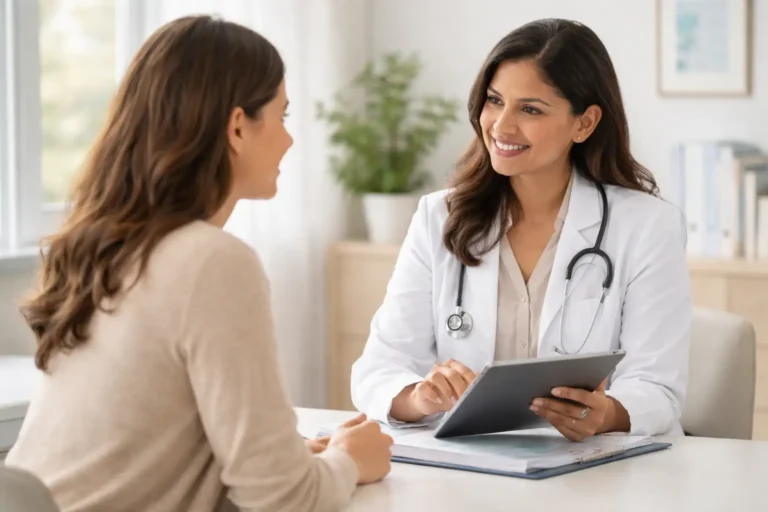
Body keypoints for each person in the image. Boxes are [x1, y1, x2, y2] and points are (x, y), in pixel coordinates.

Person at [6, 15, 392, 512]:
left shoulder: (104, 249)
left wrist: (297, 460)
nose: (289, 140)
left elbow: (159, 442)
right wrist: (350, 460)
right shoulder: (212, 262)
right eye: (282, 116)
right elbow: (282, 499)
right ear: (237, 127)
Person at [350, 18, 691, 441]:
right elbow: (379, 368)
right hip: (474, 464)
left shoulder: (647, 226)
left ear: (584, 123)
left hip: (601, 465)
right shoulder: (439, 217)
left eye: (530, 109)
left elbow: (658, 388)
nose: (501, 126)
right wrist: (420, 397)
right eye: (495, 100)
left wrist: (606, 414)